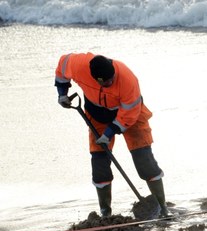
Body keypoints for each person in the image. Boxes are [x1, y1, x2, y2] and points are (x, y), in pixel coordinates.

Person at [54, 53, 169, 218]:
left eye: (111, 79)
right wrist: (62, 93)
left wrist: (109, 133)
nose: (110, 83)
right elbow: (62, 66)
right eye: (106, 82)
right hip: (97, 114)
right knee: (99, 164)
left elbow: (129, 114)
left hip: (132, 115)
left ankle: (162, 208)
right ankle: (105, 213)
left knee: (144, 160)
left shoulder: (127, 80)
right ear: (95, 78)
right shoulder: (78, 65)